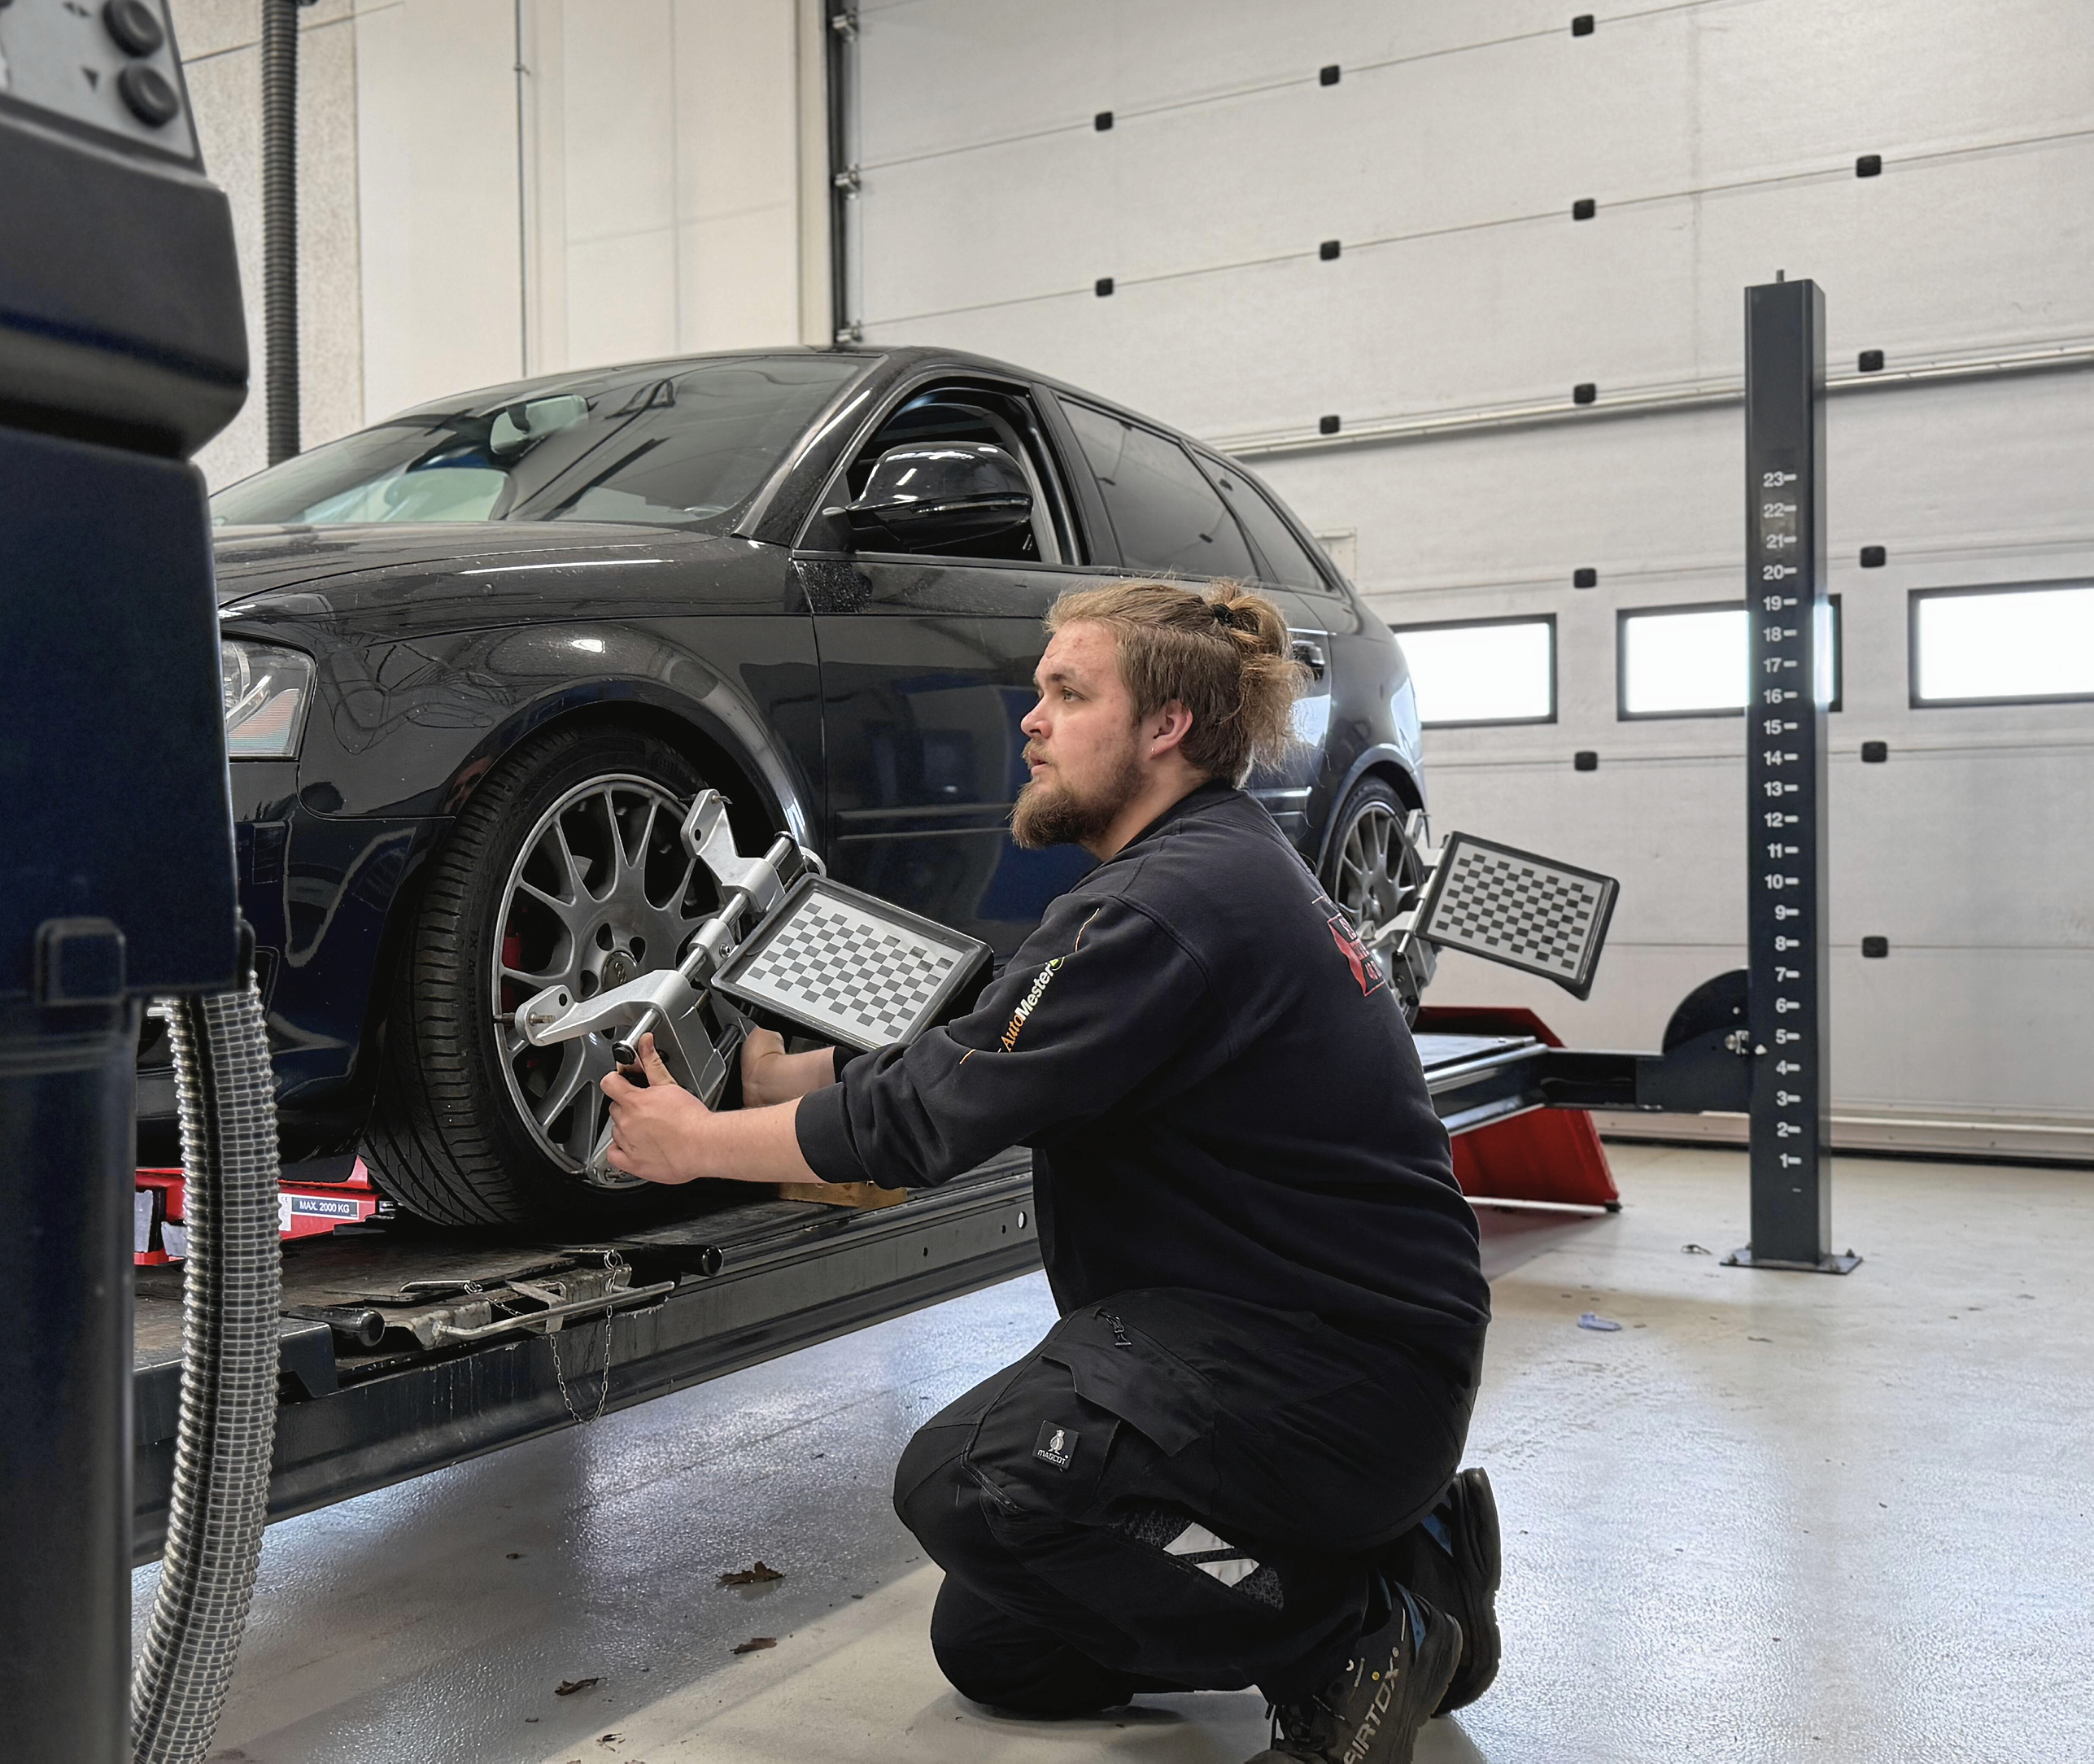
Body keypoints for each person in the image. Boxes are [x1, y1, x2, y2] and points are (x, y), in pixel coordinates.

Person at [601, 579, 1499, 1764]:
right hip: (1313, 1351)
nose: (1032, 720)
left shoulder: (1174, 903)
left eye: (1070, 694)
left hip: (1328, 1374)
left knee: (985, 1486)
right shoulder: (1212, 867)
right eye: (1040, 692)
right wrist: (783, 1082)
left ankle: (1347, 1632)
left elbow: (932, 1118)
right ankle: (1409, 1562)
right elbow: (998, 1022)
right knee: (1002, 1648)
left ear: (1168, 726)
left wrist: (694, 1146)